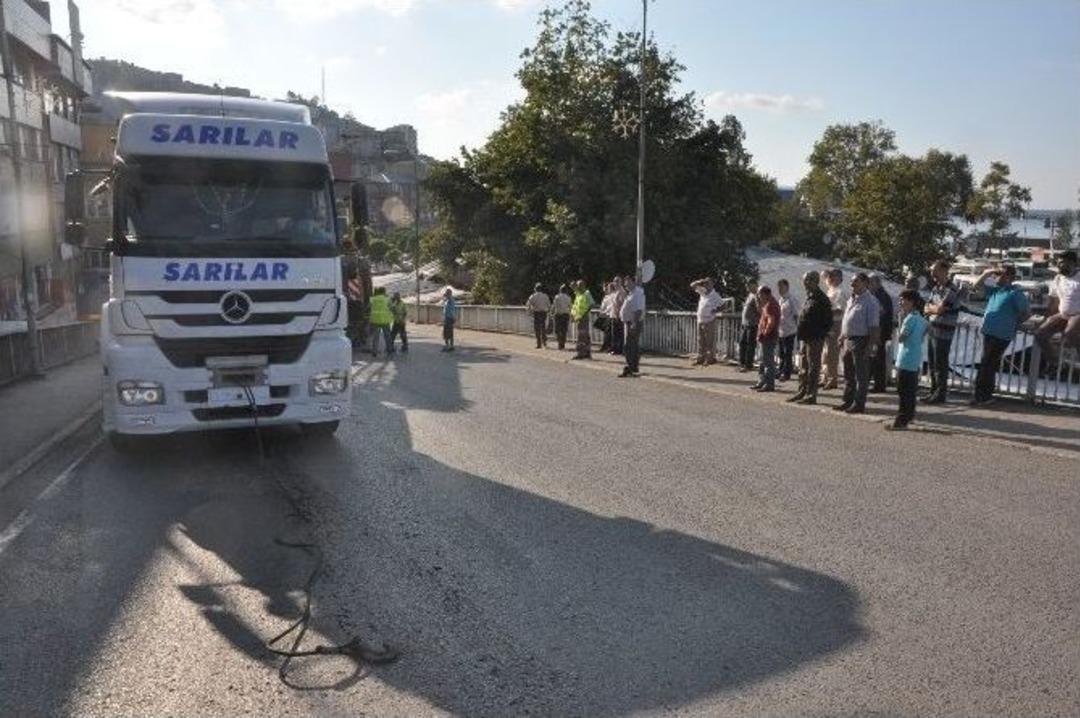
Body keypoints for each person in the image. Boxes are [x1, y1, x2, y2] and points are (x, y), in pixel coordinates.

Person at [971, 264, 1029, 405]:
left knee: (986, 363)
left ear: (1009, 276)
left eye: (1000, 274)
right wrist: (987, 272)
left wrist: (1013, 324)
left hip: (1002, 334)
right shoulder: (996, 291)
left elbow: (1026, 313)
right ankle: (983, 396)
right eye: (996, 274)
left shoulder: (1015, 293)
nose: (996, 276)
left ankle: (982, 396)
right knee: (987, 364)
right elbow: (976, 286)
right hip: (989, 332)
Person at [834, 272, 880, 414]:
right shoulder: (851, 299)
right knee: (848, 373)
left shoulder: (871, 301)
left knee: (861, 375)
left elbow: (873, 326)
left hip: (861, 340)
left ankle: (859, 404)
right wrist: (842, 336)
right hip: (848, 340)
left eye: (855, 282)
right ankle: (847, 400)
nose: (852, 284)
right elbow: (847, 320)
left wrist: (871, 345)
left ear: (865, 283)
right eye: (851, 282)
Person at [787, 271, 832, 405]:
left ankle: (811, 394)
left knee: (813, 367)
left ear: (815, 281)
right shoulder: (809, 296)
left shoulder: (822, 298)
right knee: (803, 366)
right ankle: (802, 391)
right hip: (805, 337)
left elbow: (828, 320)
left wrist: (820, 333)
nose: (805, 283)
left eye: (807, 280)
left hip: (815, 337)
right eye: (804, 280)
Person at [888, 289, 929, 430]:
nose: (900, 302)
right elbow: (922, 336)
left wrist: (900, 321)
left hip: (905, 358)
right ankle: (909, 415)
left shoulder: (909, 318)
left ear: (911, 302)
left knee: (903, 390)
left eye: (903, 300)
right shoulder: (922, 319)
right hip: (915, 357)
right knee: (910, 391)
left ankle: (901, 419)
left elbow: (901, 338)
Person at [923, 259, 962, 403]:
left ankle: (940, 394)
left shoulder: (952, 289)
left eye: (935, 271)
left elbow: (939, 309)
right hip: (933, 329)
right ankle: (933, 391)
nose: (932, 274)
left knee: (940, 364)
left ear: (944, 271)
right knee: (932, 363)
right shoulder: (935, 289)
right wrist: (934, 309)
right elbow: (926, 308)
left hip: (944, 332)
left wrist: (934, 309)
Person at [1034, 250, 1080, 360]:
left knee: (1069, 334)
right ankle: (1055, 362)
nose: (1059, 265)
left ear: (1073, 263)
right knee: (1040, 334)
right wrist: (1046, 318)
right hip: (1063, 314)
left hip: (1078, 314)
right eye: (1058, 263)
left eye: (1062, 263)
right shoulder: (1058, 279)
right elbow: (1053, 302)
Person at [821, 268, 848, 390]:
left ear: (840, 278)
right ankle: (825, 376)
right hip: (827, 323)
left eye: (834, 276)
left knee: (832, 353)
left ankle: (832, 379)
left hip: (835, 323)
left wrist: (824, 311)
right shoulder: (829, 291)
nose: (830, 278)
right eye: (830, 276)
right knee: (825, 353)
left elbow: (839, 309)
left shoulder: (840, 292)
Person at [868, 274, 895, 393]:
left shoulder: (881, 296)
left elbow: (881, 314)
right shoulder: (877, 295)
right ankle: (876, 383)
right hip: (878, 331)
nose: (868, 285)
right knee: (874, 357)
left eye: (870, 282)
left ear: (877, 283)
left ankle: (879, 385)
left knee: (878, 358)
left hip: (880, 332)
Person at [752, 285, 781, 392]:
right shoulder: (768, 304)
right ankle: (762, 381)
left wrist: (764, 333)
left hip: (768, 337)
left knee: (768, 361)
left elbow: (771, 322)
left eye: (760, 294)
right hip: (767, 336)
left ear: (765, 294)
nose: (759, 296)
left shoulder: (770, 305)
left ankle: (769, 384)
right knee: (763, 361)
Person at [690, 277, 723, 366]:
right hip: (700, 319)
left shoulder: (715, 295)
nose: (706, 285)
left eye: (708, 283)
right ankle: (700, 357)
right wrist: (699, 281)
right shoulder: (702, 292)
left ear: (712, 284)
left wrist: (715, 310)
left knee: (709, 341)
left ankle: (709, 358)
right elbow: (692, 285)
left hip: (709, 320)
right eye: (705, 283)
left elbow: (723, 305)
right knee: (700, 340)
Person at [619, 274, 645, 377]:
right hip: (629, 322)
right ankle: (632, 367)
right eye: (625, 282)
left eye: (628, 282)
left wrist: (634, 323)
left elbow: (638, 309)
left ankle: (631, 367)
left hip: (634, 322)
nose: (626, 284)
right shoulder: (631, 293)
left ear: (633, 282)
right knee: (631, 345)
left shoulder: (637, 293)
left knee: (630, 345)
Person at [777, 279, 801, 381]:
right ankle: (781, 370)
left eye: (781, 287)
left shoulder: (792, 299)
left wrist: (798, 328)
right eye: (778, 287)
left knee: (788, 353)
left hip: (790, 330)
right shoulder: (781, 300)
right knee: (781, 353)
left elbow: (796, 315)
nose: (780, 289)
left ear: (787, 287)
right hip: (781, 330)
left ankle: (786, 373)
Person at [570, 280, 595, 360]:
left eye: (580, 285)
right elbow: (575, 306)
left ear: (584, 286)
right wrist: (573, 315)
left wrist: (584, 314)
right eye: (578, 285)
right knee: (584, 336)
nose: (578, 287)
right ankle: (586, 353)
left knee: (581, 336)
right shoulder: (578, 294)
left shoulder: (586, 293)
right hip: (579, 317)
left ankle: (581, 353)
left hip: (583, 317)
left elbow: (591, 304)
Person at [737, 290, 760, 372]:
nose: (748, 286)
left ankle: (748, 364)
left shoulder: (756, 296)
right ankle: (742, 363)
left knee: (750, 345)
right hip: (745, 323)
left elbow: (759, 309)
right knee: (742, 343)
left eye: (751, 284)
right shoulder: (749, 295)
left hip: (752, 324)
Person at [525, 283, 552, 349]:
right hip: (543, 313)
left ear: (535, 289)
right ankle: (544, 342)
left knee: (537, 329)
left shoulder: (533, 296)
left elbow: (528, 304)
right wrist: (548, 311)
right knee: (543, 327)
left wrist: (529, 312)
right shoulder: (545, 296)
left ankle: (539, 344)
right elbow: (549, 305)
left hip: (536, 313)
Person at [368, 287, 393, 357]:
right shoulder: (387, 299)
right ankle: (389, 350)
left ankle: (374, 352)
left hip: (375, 321)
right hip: (385, 321)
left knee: (375, 337)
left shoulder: (372, 299)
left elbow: (368, 307)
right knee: (387, 336)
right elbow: (391, 307)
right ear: (384, 292)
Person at [608, 276, 626, 355]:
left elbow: (622, 304)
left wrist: (619, 314)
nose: (615, 283)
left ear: (620, 282)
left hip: (618, 315)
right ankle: (614, 349)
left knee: (619, 333)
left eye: (617, 281)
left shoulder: (621, 292)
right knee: (614, 333)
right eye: (614, 281)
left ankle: (619, 349)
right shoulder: (615, 292)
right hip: (613, 314)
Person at [551, 284, 572, 350]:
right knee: (564, 330)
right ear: (566, 291)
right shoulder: (569, 298)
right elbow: (570, 307)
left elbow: (554, 306)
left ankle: (559, 343)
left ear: (560, 290)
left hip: (558, 315)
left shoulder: (557, 297)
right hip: (566, 315)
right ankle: (563, 343)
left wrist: (551, 312)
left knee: (557, 330)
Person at [598, 282, 616, 352]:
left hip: (608, 315)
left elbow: (610, 307)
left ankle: (607, 346)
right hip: (604, 315)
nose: (605, 289)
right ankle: (606, 346)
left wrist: (605, 312)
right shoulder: (606, 296)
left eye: (607, 288)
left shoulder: (611, 296)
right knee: (606, 332)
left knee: (608, 332)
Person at [441, 288, 457, 352]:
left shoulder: (451, 301)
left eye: (447, 294)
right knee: (445, 333)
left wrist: (453, 318)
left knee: (449, 332)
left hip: (449, 318)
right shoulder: (446, 301)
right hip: (446, 318)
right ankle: (447, 345)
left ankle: (451, 346)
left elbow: (452, 310)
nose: (446, 295)